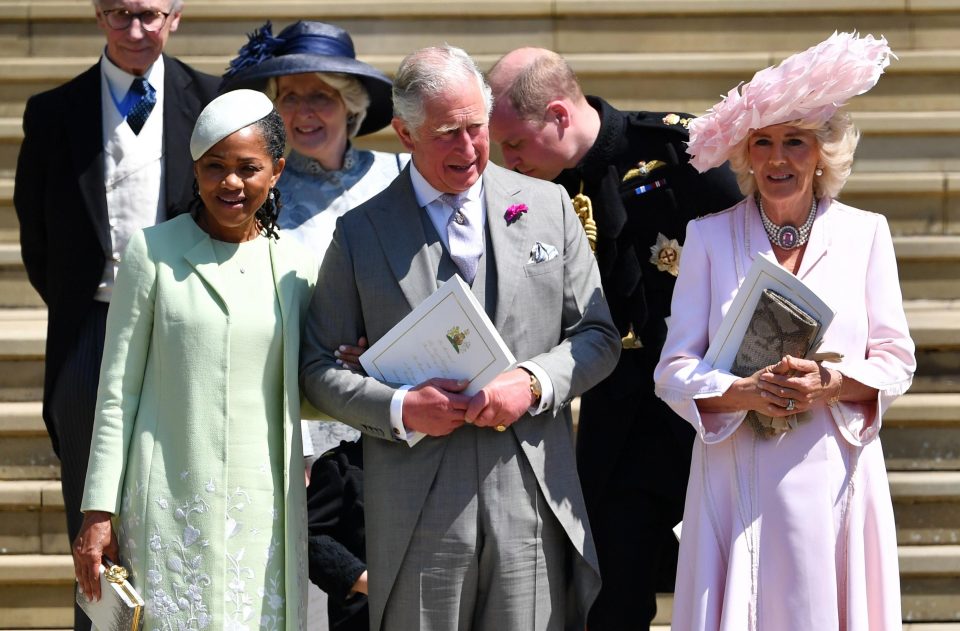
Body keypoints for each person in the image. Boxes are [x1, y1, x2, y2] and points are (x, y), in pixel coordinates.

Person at [300, 44, 621, 631]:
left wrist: (533, 382)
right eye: (448, 132)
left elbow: (597, 335)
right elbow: (318, 366)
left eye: (477, 127)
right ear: (404, 133)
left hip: (529, 495)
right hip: (415, 503)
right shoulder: (360, 233)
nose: (470, 147)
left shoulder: (550, 206)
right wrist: (399, 407)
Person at [653, 32, 916, 630]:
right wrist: (741, 393)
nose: (777, 159)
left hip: (835, 467)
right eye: (762, 143)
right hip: (736, 473)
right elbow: (671, 371)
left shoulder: (866, 233)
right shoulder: (710, 238)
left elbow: (897, 359)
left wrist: (833, 380)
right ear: (745, 156)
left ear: (822, 152)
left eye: (794, 142)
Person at [487, 47, 743, 629]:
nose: (508, 158)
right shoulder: (525, 191)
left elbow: (747, 265)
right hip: (616, 417)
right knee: (612, 593)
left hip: (702, 412)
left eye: (517, 143)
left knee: (728, 587)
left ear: (557, 114)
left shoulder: (678, 150)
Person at [72, 89, 318, 631]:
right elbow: (118, 391)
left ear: (276, 171)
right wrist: (98, 511)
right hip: (169, 502)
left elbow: (309, 386)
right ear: (195, 170)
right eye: (214, 167)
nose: (230, 183)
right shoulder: (151, 252)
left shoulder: (298, 267)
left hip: (265, 511)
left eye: (247, 168)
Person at [13, 2, 217, 628]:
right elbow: (37, 236)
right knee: (91, 513)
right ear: (98, 15)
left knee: (188, 498)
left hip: (185, 330)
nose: (134, 31)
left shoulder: (211, 101)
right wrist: (95, 306)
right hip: (90, 332)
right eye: (119, 14)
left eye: (149, 15)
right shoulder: (52, 112)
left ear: (176, 15)